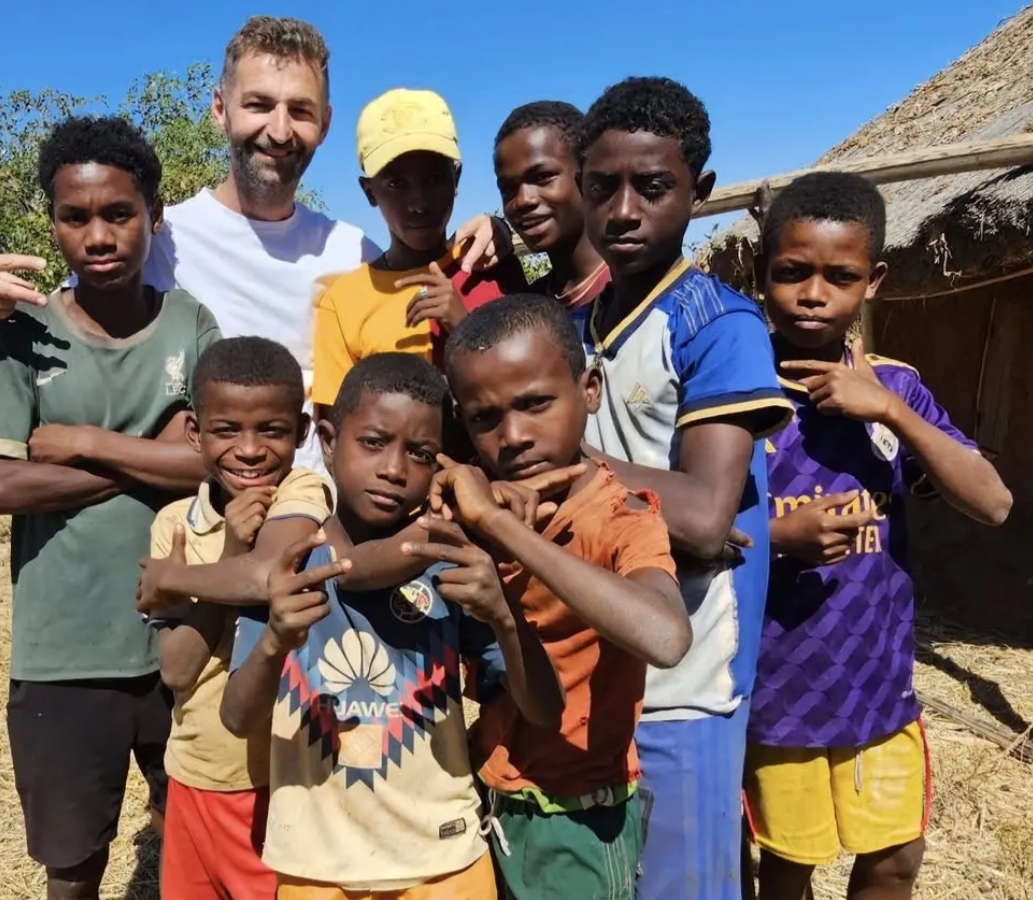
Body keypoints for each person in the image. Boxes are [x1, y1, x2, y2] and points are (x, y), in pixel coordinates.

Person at [0, 17, 507, 474]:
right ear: (219, 110)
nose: (279, 130)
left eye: (299, 111)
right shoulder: (161, 239)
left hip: (333, 530)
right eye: (258, 104)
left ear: (325, 125)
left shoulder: (351, 249)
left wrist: (502, 233)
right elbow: (64, 354)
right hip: (197, 520)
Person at [0, 115, 219, 900]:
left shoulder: (189, 324)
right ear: (54, 225)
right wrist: (149, 451)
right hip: (63, 652)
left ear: (154, 217)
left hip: (185, 638)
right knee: (72, 868)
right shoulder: (21, 336)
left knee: (195, 842)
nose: (98, 235)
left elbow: (215, 460)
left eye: (118, 213)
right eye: (76, 217)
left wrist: (81, 443)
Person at [744, 172, 1011, 900]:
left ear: (875, 281)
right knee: (788, 870)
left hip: (879, 690)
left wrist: (891, 412)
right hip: (776, 688)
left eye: (841, 276)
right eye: (792, 273)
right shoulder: (735, 393)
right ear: (760, 273)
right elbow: (689, 527)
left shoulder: (899, 387)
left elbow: (993, 504)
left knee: (896, 858)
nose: (813, 294)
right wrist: (775, 535)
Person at [220, 352, 564, 899]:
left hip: (444, 863)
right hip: (315, 868)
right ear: (329, 441)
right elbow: (238, 718)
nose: (394, 470)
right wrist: (275, 642)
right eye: (374, 442)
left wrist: (502, 613)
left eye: (420, 453)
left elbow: (545, 711)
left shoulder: (453, 564)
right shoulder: (284, 563)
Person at [574, 77, 793, 900]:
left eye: (653, 187)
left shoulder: (717, 325)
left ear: (697, 192)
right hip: (597, 662)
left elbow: (704, 513)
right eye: (603, 187)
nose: (624, 210)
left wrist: (560, 467)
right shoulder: (575, 329)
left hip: (686, 680)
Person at [437, 294, 691, 899]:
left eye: (535, 404)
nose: (514, 436)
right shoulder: (481, 498)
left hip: (577, 820)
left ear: (591, 389)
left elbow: (666, 636)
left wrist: (505, 534)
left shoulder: (619, 518)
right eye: (485, 418)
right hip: (492, 798)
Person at [148, 336, 332, 900]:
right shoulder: (175, 523)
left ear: (300, 434)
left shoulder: (304, 490)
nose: (249, 451)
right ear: (195, 435)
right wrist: (229, 551)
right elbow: (177, 673)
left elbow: (269, 571)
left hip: (275, 780)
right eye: (226, 430)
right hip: (193, 772)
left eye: (271, 430)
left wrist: (177, 580)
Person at [310, 88, 527, 414]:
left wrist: (463, 328)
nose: (419, 204)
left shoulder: (489, 268)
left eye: (434, 179)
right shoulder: (343, 304)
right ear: (369, 192)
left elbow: (531, 388)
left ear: (456, 179)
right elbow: (336, 431)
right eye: (396, 184)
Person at [493, 101, 610, 323]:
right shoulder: (529, 303)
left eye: (542, 177)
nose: (523, 200)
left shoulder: (636, 293)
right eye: (508, 188)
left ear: (587, 173)